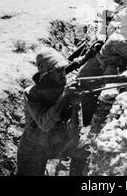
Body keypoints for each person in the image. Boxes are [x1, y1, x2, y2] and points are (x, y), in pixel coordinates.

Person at [17, 48, 90, 176]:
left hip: (57, 142)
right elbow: (45, 125)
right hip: (34, 148)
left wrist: (75, 106)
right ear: (46, 74)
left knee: (85, 148)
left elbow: (75, 130)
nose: (63, 75)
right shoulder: (31, 94)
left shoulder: (65, 88)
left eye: (63, 70)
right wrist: (63, 98)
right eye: (58, 71)